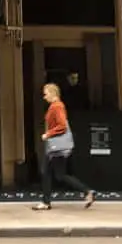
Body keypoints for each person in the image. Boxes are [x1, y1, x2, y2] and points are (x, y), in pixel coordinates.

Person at [33, 82, 94, 211]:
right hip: (55, 147)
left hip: (56, 147)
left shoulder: (57, 106)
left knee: (49, 173)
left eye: (46, 94)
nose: (44, 97)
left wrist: (48, 134)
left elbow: (62, 126)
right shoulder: (56, 106)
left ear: (52, 93)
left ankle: (47, 202)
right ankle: (86, 192)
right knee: (56, 174)